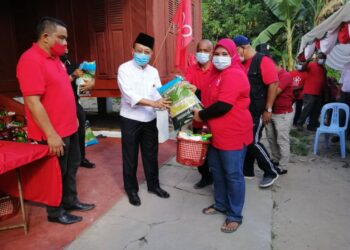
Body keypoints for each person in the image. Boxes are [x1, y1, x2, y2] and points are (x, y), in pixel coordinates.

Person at [16, 17, 95, 225]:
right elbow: (33, 103)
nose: (66, 43)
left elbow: (61, 86)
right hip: (53, 132)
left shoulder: (56, 59)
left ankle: (70, 201)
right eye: (62, 38)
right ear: (45, 37)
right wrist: (51, 134)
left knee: (73, 165)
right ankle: (55, 211)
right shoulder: (30, 60)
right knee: (56, 172)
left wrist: (74, 120)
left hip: (69, 127)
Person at [193, 38, 253, 233]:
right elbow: (208, 98)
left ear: (233, 55)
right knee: (217, 171)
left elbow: (223, 105)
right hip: (215, 133)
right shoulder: (215, 74)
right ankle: (220, 204)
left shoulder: (234, 73)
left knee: (233, 175)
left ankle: (235, 214)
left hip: (233, 134)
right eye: (216, 54)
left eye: (224, 54)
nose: (219, 58)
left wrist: (200, 115)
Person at [117, 32, 171, 206]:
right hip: (130, 119)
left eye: (146, 52)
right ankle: (131, 190)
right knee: (130, 156)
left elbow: (158, 92)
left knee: (150, 154)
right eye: (139, 50)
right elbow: (128, 95)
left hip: (149, 119)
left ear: (151, 54)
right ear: (132, 50)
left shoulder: (153, 71)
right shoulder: (124, 68)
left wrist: (167, 99)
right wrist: (154, 103)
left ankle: (153, 185)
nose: (142, 54)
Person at [233, 35, 279, 188]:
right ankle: (248, 172)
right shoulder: (242, 63)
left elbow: (273, 84)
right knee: (245, 140)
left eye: (236, 50)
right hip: (244, 110)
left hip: (257, 111)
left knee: (253, 141)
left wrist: (268, 108)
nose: (235, 54)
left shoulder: (263, 61)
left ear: (243, 48)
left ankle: (271, 171)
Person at [184, 39, 213, 189]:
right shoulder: (192, 69)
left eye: (206, 51)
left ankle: (216, 176)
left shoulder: (216, 69)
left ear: (211, 52)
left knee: (213, 152)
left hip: (214, 119)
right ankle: (205, 177)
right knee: (199, 151)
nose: (202, 54)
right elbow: (185, 87)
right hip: (197, 118)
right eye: (200, 50)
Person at [60, 49, 96, 168]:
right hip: (60, 103)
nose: (65, 50)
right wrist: (73, 75)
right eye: (62, 46)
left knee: (81, 129)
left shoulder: (72, 64)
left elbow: (88, 76)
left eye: (66, 47)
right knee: (67, 134)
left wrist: (91, 83)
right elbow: (58, 84)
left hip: (74, 102)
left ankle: (81, 158)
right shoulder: (54, 65)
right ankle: (69, 160)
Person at [265, 60, 294, 174]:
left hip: (283, 113)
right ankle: (276, 159)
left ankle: (283, 166)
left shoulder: (285, 76)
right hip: (271, 111)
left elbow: (275, 92)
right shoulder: (271, 76)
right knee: (271, 138)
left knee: (282, 139)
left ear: (277, 65)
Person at [296, 53, 327, 131]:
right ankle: (300, 123)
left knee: (316, 110)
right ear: (317, 58)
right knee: (307, 108)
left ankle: (312, 125)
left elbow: (324, 82)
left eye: (323, 58)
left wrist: (325, 94)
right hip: (309, 91)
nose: (321, 59)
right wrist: (307, 61)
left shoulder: (323, 69)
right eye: (320, 58)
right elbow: (301, 69)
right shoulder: (311, 64)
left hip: (319, 93)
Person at [290, 61, 308, 126]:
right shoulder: (292, 73)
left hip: (300, 95)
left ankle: (295, 122)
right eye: (299, 64)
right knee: (287, 107)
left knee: (298, 109)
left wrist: (297, 89)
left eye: (302, 64)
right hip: (291, 94)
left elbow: (306, 85)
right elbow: (288, 82)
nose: (300, 65)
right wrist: (293, 89)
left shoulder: (306, 74)